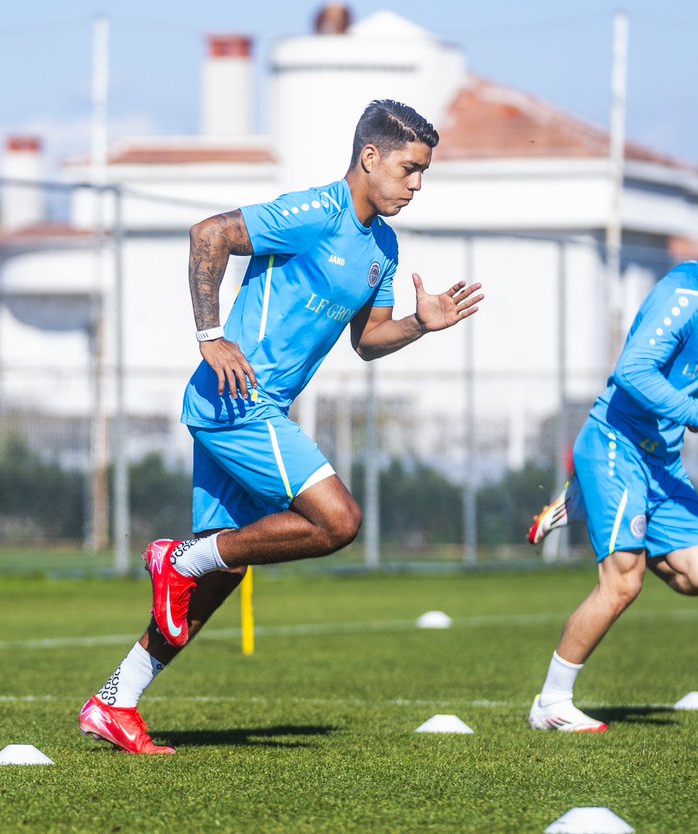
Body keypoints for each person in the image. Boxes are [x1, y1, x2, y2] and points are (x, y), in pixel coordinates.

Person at [79, 99, 483, 754]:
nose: (416, 185)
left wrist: (418, 322)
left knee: (220, 574)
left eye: (424, 174)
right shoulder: (315, 212)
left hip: (253, 409)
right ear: (370, 157)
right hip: (239, 403)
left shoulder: (383, 245)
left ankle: (116, 700)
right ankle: (175, 559)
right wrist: (210, 336)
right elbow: (208, 234)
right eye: (409, 169)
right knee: (339, 521)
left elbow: (369, 339)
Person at [525, 180, 698, 732]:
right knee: (623, 581)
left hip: (659, 458)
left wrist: (696, 409)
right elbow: (632, 373)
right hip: (616, 443)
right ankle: (551, 703)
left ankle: (586, 502)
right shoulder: (684, 293)